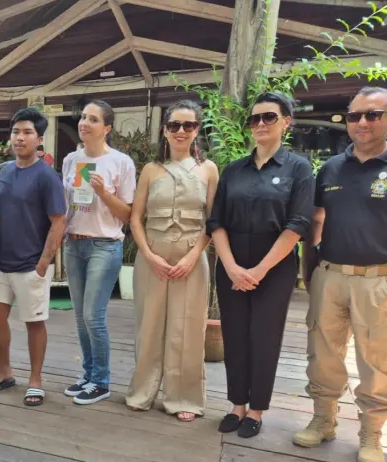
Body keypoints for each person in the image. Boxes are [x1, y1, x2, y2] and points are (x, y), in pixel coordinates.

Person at [207, 92, 314, 438]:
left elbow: (297, 224)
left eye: (269, 117)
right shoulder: (234, 170)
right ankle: (237, 404)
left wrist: (259, 270)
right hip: (232, 262)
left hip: (275, 265)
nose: (261, 124)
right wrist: (233, 267)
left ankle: (256, 409)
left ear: (286, 122)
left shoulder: (298, 168)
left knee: (264, 338)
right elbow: (216, 222)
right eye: (255, 119)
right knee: (235, 336)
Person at [294, 86, 387, 462]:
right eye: (354, 116)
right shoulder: (331, 168)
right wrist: (309, 269)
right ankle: (324, 419)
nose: (362, 123)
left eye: (372, 114)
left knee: (377, 360)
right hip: (329, 274)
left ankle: (371, 434)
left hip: (378, 280)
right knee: (323, 352)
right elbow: (315, 220)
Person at [126, 100, 218, 421]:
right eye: (174, 125)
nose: (181, 131)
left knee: (188, 328)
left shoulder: (209, 170)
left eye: (188, 126)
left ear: (196, 131)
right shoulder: (151, 171)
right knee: (148, 325)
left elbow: (213, 220)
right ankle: (143, 391)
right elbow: (136, 219)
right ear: (165, 131)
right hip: (152, 255)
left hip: (192, 257)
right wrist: (148, 255)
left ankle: (184, 398)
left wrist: (195, 256)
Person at [0, 108, 67, 407]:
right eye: (16, 132)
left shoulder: (47, 176)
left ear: (39, 139)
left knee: (34, 322)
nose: (20, 137)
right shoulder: (5, 171)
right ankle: (4, 372)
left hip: (31, 263)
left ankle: (35, 380)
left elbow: (59, 220)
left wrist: (44, 263)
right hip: (1, 260)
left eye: (27, 132)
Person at [62, 100, 136, 405]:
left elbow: (128, 215)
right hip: (73, 242)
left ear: (106, 129)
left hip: (104, 245)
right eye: (82, 117)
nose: (84, 123)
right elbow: (65, 206)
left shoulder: (121, 162)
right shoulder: (70, 160)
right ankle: (89, 374)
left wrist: (104, 192)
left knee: (94, 315)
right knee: (80, 317)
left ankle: (102, 380)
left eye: (92, 119)